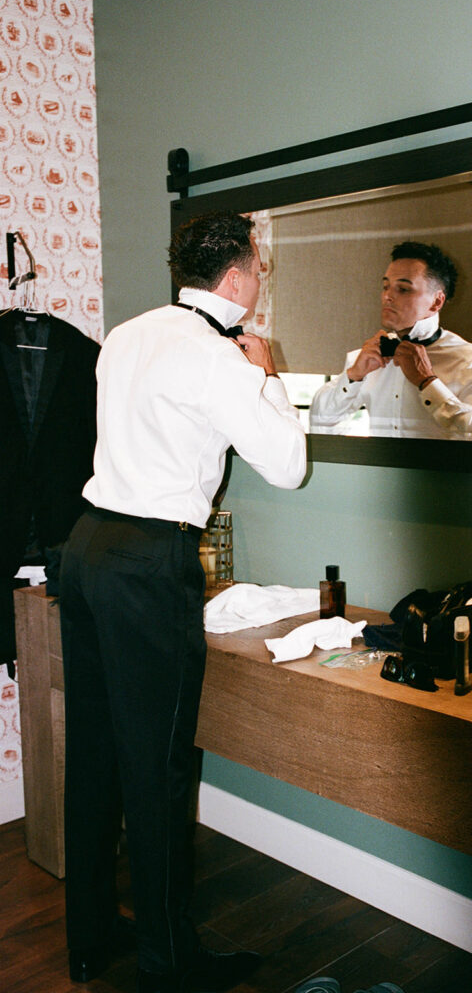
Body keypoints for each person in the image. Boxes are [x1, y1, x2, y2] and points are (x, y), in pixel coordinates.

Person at [59, 211, 307, 993]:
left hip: (86, 548)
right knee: (160, 766)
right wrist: (267, 372)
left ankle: (91, 938)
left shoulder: (128, 334)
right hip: (147, 565)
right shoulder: (219, 358)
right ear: (236, 278)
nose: (260, 282)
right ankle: (172, 964)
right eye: (258, 270)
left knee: (95, 753)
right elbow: (289, 465)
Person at [309, 241, 472, 441]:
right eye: (385, 286)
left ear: (437, 301)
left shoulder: (470, 361)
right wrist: (353, 376)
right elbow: (320, 425)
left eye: (403, 289)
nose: (387, 296)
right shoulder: (366, 359)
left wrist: (428, 382)